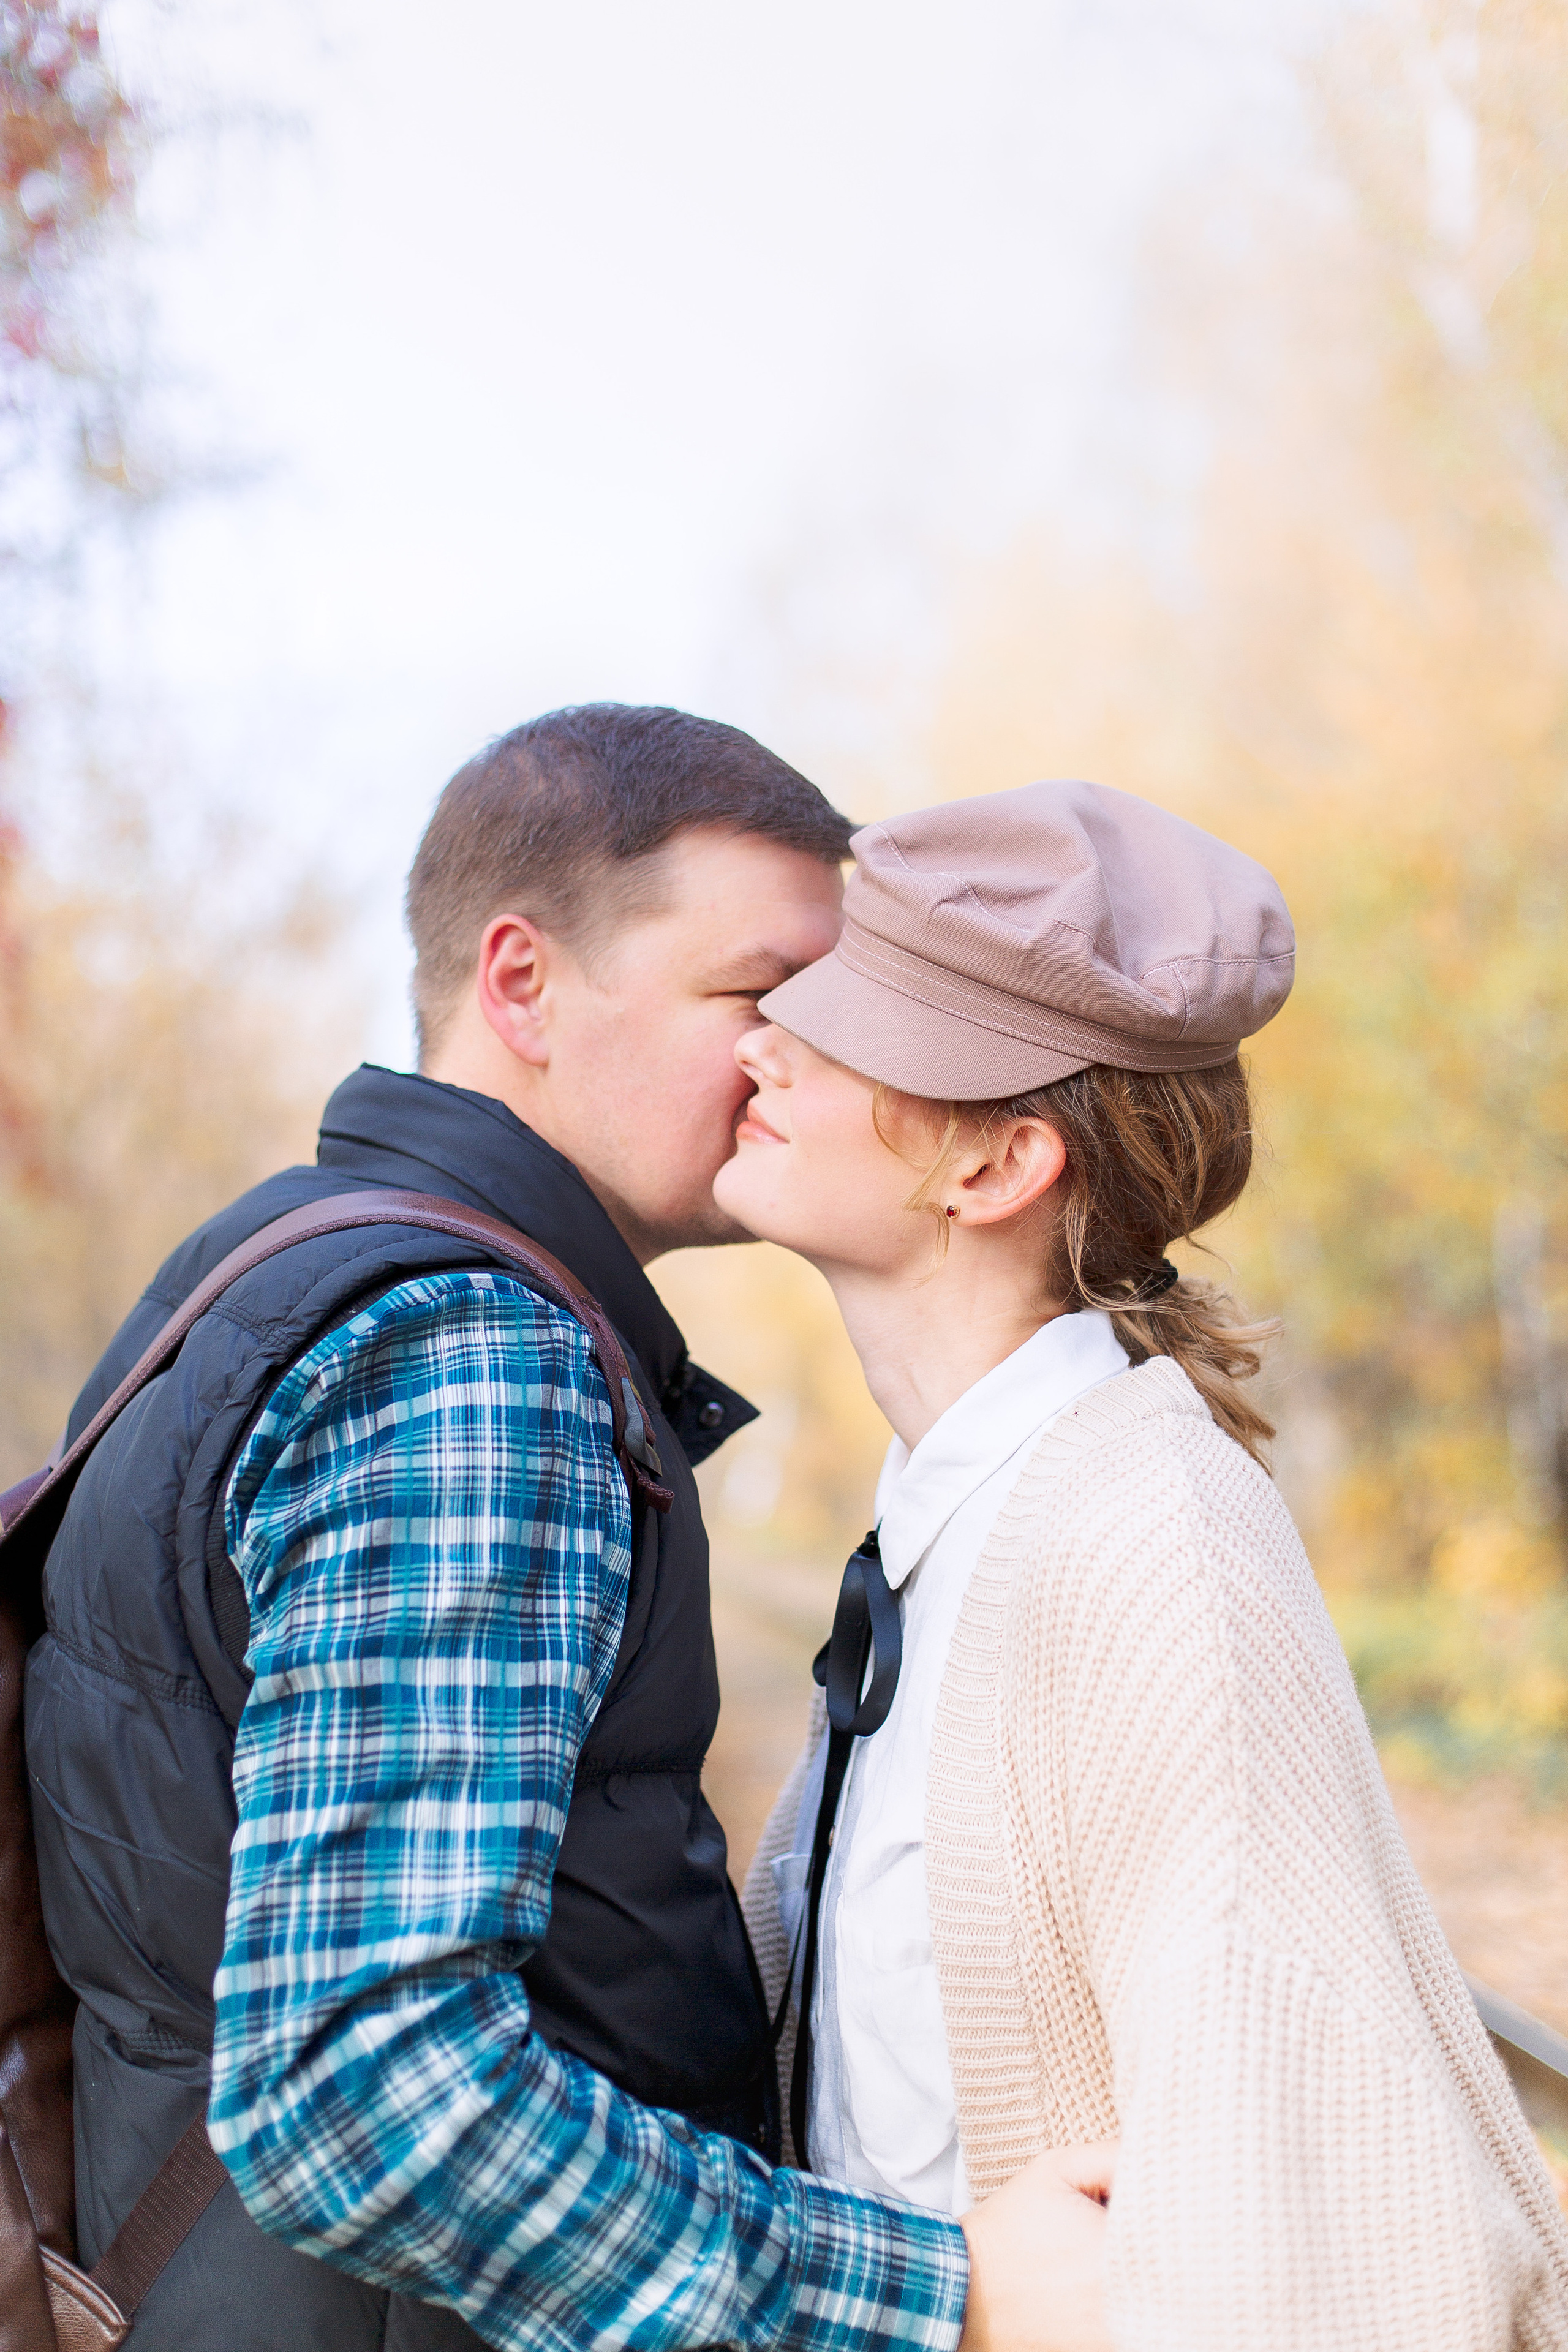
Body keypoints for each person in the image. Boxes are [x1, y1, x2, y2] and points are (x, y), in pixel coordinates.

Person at [27, 706, 1111, 2352]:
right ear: (522, 984)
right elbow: (367, 2102)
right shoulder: (467, 1355)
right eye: (757, 995)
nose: (800, 1062)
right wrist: (946, 2301)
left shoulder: (271, 1265)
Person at [722, 778, 1568, 2352]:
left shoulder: (1144, 1550)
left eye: (841, 1033)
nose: (760, 1042)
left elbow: (1318, 2228)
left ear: (993, 1170)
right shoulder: (961, 1513)